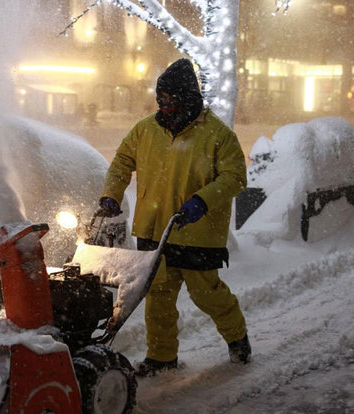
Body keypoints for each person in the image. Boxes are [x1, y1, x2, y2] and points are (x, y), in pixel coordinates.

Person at [95, 58, 251, 377]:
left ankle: (238, 340)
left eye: (170, 101)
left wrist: (202, 201)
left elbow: (235, 177)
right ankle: (162, 357)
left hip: (198, 233)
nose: (163, 108)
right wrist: (112, 193)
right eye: (160, 101)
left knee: (208, 295)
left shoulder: (217, 135)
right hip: (156, 232)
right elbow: (122, 161)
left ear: (188, 99)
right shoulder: (146, 130)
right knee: (159, 300)